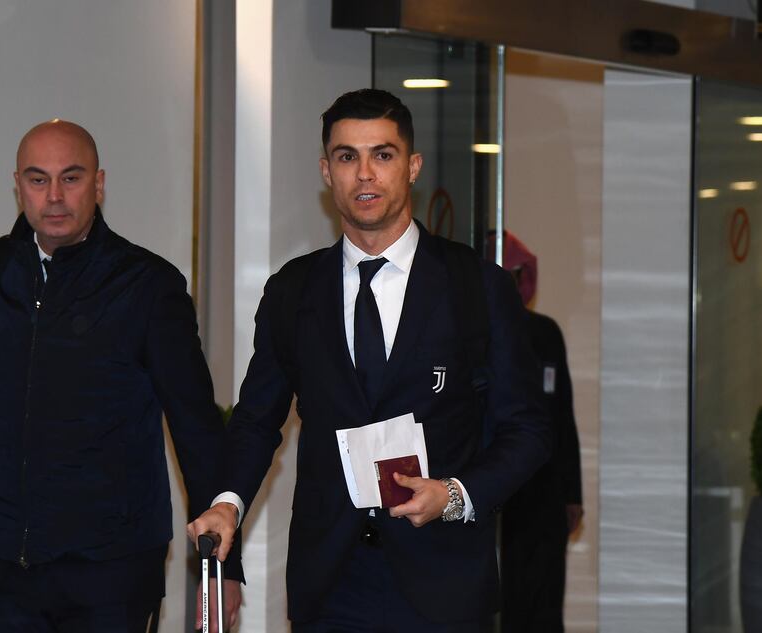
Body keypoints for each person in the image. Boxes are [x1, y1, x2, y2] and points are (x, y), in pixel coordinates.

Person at [187, 89, 551, 632]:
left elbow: (528, 429)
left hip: (443, 581)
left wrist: (455, 495)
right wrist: (228, 503)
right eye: (346, 156)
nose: (364, 174)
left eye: (382, 155)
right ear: (326, 171)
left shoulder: (476, 285)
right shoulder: (293, 290)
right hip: (331, 584)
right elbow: (256, 420)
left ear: (412, 167)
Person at [0, 120, 242, 632]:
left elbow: (196, 428)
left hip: (112, 574)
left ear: (99, 183)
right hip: (5, 566)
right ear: (17, 185)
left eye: (71, 178)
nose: (53, 196)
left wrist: (222, 567)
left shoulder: (148, 285)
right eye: (37, 179)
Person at [498, 230, 583, 633]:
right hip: (494, 487)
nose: (510, 284)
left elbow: (563, 417)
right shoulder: (475, 336)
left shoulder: (546, 333)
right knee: (503, 600)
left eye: (515, 275)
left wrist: (573, 494)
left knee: (544, 601)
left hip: (545, 490)